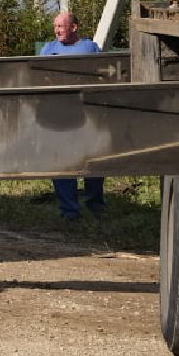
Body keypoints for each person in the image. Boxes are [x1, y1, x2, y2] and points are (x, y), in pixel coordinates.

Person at [40, 12, 107, 221]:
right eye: (55, 26)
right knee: (62, 162)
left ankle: (95, 204)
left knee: (94, 160)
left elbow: (102, 77)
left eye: (61, 26)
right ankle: (69, 210)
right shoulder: (48, 50)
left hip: (87, 114)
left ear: (74, 27)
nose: (57, 30)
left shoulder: (90, 48)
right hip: (59, 115)